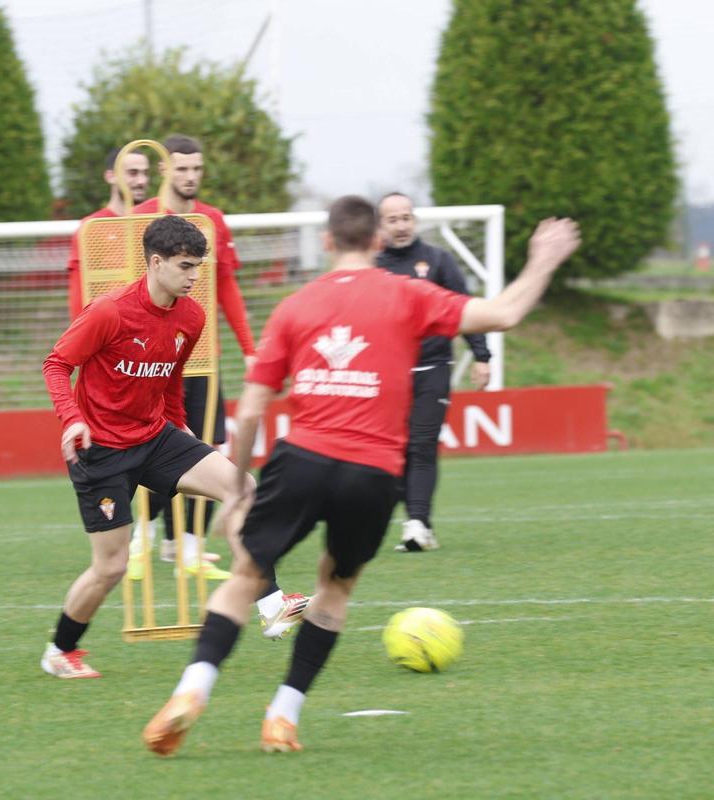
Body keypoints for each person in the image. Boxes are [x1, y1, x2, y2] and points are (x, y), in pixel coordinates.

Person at [141, 196, 580, 754]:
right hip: (372, 470)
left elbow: (251, 408)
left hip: (301, 458)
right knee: (336, 584)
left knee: (247, 573)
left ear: (327, 242)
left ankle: (193, 687)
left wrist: (236, 487)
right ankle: (284, 713)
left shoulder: (296, 306)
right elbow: (504, 314)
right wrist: (543, 259)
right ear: (377, 242)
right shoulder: (410, 293)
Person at [40, 214, 257, 679]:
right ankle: (60, 650)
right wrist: (72, 419)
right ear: (155, 263)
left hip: (156, 439)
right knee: (111, 568)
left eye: (199, 266)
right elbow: (57, 365)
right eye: (184, 266)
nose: (194, 277)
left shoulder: (192, 316)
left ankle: (270, 601)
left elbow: (172, 379)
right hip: (100, 450)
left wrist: (182, 432)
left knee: (243, 486)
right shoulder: (110, 311)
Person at [133, 134, 309, 636]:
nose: (190, 176)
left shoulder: (211, 221)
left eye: (197, 168)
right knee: (111, 548)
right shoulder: (140, 219)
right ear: (167, 170)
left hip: (195, 360)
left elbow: (226, 284)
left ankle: (203, 558)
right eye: (182, 168)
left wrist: (251, 347)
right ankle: (142, 543)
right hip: (137, 373)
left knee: (215, 462)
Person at [376, 192, 493, 552]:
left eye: (406, 217)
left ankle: (418, 525)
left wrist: (481, 355)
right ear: (381, 225)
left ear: (415, 220)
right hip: (388, 373)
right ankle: (399, 520)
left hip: (433, 367)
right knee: (392, 452)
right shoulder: (372, 267)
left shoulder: (439, 261)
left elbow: (465, 310)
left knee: (422, 445)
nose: (401, 225)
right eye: (393, 219)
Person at [65, 147, 152, 320]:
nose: (141, 180)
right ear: (110, 176)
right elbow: (79, 294)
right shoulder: (92, 228)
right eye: (133, 173)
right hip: (110, 331)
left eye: (145, 173)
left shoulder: (154, 224)